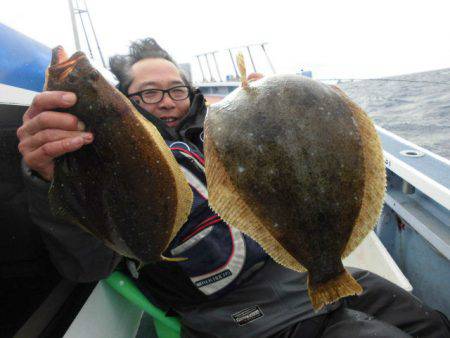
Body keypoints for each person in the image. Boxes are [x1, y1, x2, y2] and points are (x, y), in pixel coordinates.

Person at [17, 38, 450, 338]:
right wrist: (51, 179)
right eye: (148, 93)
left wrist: (298, 109)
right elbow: (88, 265)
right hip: (241, 315)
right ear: (122, 101)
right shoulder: (101, 163)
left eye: (175, 89)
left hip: (299, 272)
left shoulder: (217, 131)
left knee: (428, 323)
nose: (167, 101)